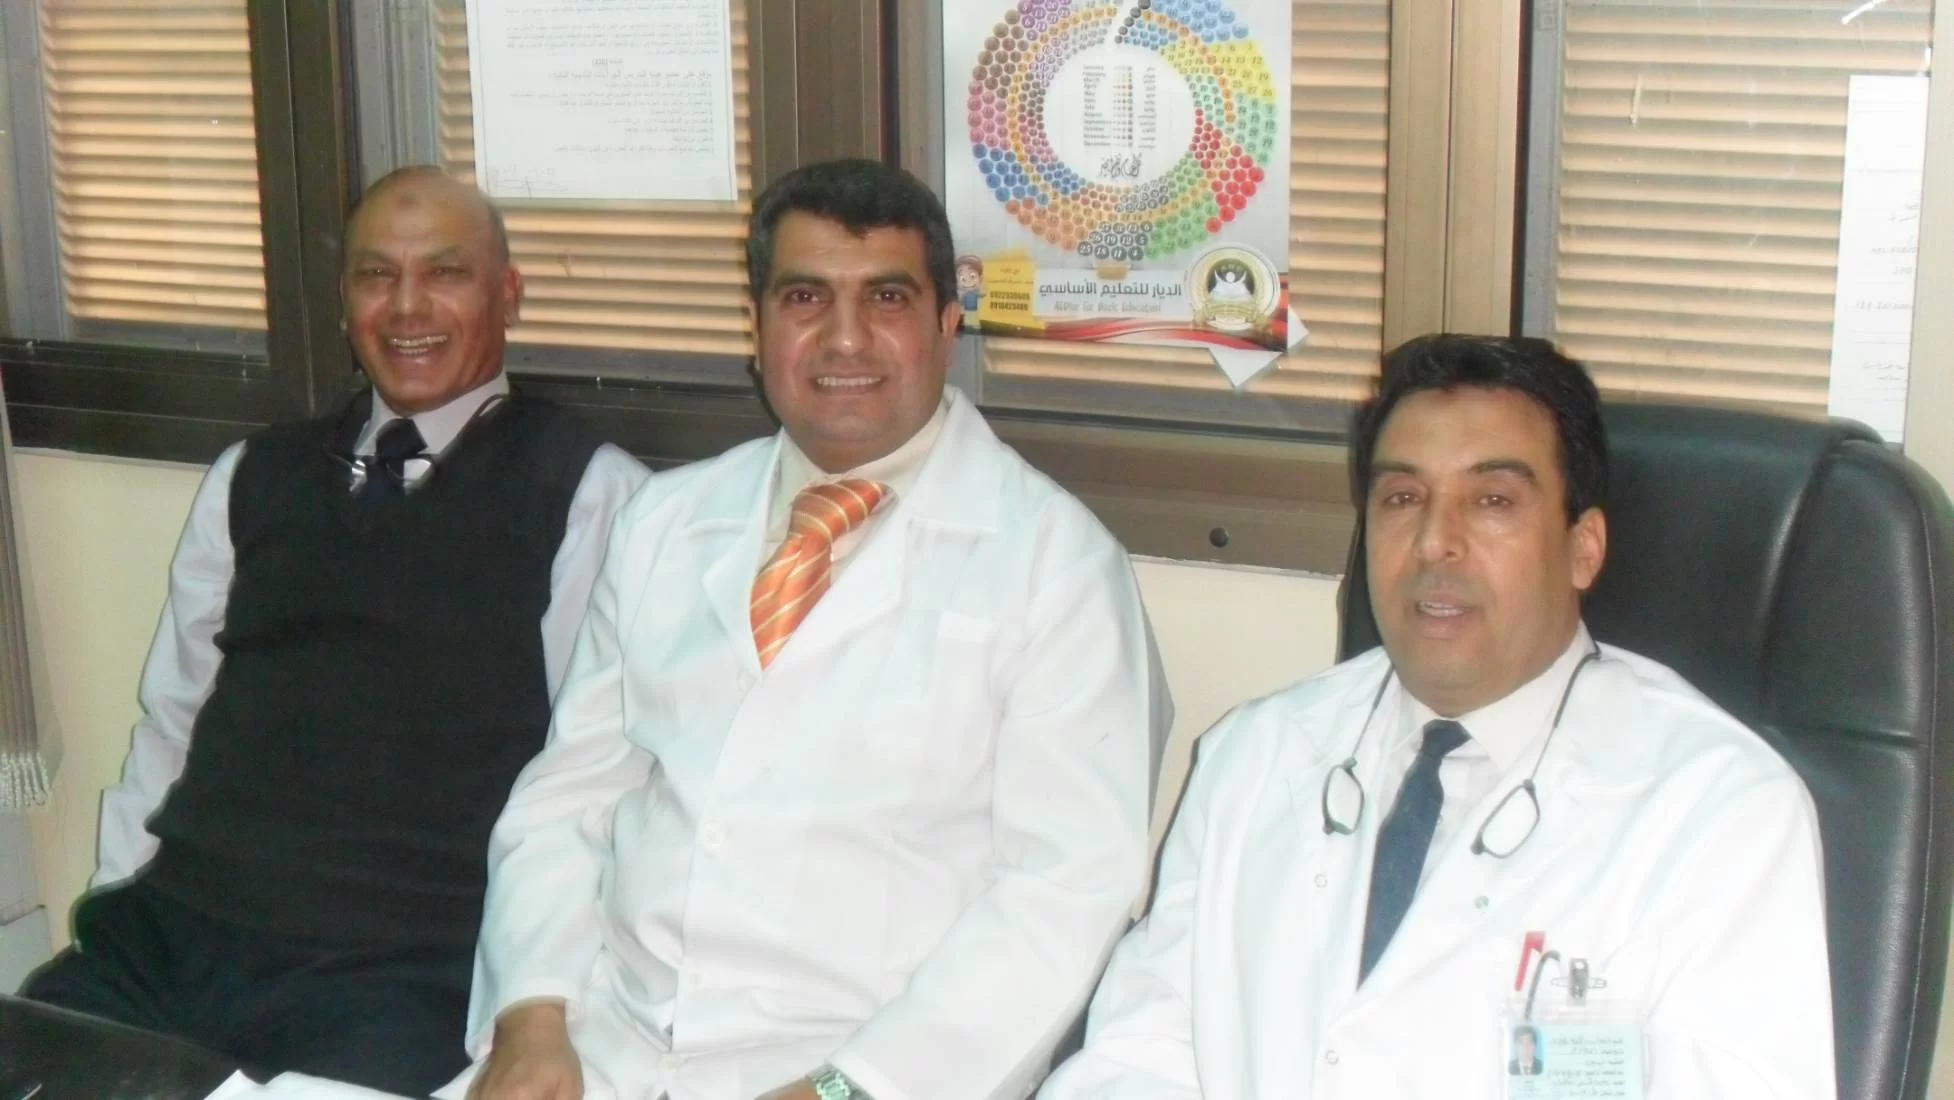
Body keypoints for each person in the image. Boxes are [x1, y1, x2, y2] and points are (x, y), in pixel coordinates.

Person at [456, 159, 1172, 1100]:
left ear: (947, 323)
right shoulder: (665, 521)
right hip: (607, 1049)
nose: (844, 338)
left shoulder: (1058, 565)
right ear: (756, 327)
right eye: (804, 297)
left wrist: (844, 1087)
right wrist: (531, 1017)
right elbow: (570, 797)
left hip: (862, 1070)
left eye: (886, 297)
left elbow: (1064, 894)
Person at [1040, 335, 1835, 1099]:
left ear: (1584, 548)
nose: (1434, 543)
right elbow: (1136, 1061)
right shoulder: (1253, 756)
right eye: (1403, 498)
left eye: (1492, 500)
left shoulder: (1720, 813)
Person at [22, 166, 648, 1095]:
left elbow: (590, 779)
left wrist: (539, 997)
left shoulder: (591, 493)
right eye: (375, 274)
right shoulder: (252, 474)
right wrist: (121, 887)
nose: (407, 307)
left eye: (445, 272)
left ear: (509, 293)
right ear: (345, 300)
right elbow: (174, 715)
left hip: (404, 968)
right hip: (173, 935)